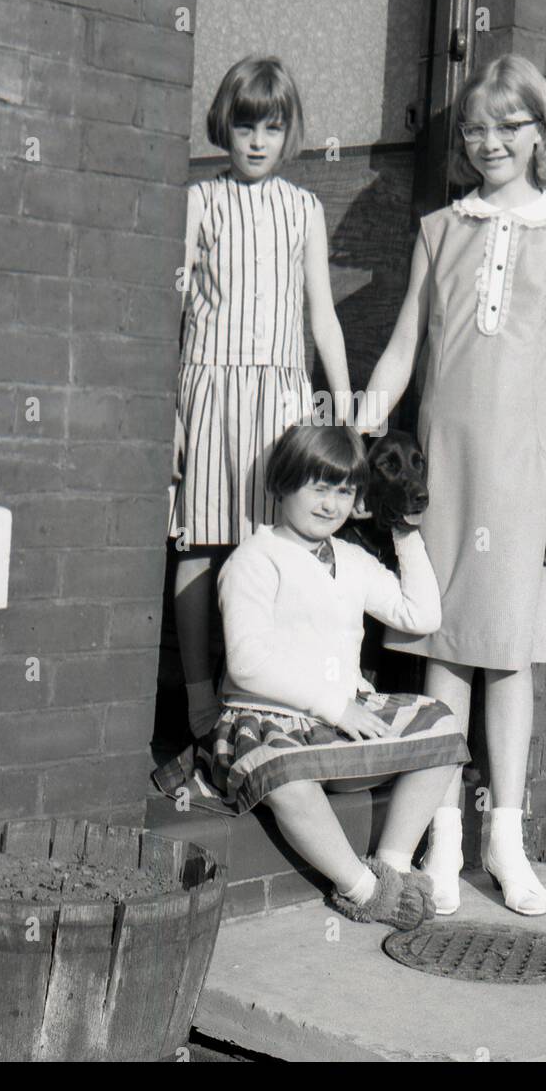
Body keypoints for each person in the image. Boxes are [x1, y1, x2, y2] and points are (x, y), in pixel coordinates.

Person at [360, 53, 546, 916]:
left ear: (541, 133)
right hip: (441, 469)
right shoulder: (440, 228)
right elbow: (401, 348)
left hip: (525, 473)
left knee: (508, 658)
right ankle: (439, 840)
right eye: (475, 127)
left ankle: (504, 837)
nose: (489, 141)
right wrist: (363, 419)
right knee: (441, 648)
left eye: (508, 126)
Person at [209, 423, 470, 928]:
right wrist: (334, 704)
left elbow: (421, 616)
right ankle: (362, 887)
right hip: (268, 720)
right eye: (319, 488)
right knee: (287, 782)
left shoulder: (352, 560)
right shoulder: (255, 560)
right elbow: (247, 663)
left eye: (345, 491)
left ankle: (391, 866)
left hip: (338, 723)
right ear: (281, 485)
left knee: (443, 725)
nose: (332, 505)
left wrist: (403, 531)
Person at [171, 56, 351, 742]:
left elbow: (321, 315)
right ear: (225, 125)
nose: (255, 141)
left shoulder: (304, 208)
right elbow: (176, 310)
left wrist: (340, 405)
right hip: (212, 389)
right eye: (244, 125)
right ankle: (197, 698)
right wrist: (170, 411)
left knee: (276, 550)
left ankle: (257, 693)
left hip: (280, 398)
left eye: (270, 128)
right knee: (203, 543)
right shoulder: (200, 200)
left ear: (287, 133)